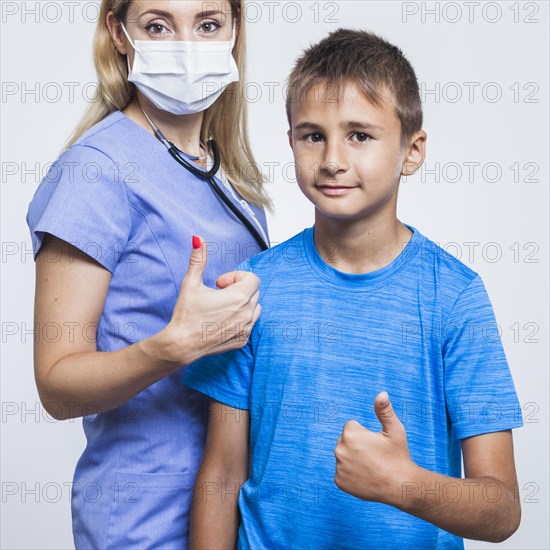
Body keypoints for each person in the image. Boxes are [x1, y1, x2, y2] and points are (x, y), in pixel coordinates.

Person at [183, 28, 524, 549]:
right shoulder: (253, 286)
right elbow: (221, 476)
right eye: (312, 134)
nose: (333, 159)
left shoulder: (454, 296)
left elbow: (501, 510)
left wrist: (403, 484)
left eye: (360, 135)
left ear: (412, 150)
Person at [25, 0, 271, 547]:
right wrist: (170, 348)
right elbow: (56, 386)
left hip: (237, 521)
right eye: (158, 26)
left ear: (235, 30)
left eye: (209, 24)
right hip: (144, 524)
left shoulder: (231, 181)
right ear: (119, 32)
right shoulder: (96, 172)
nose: (187, 46)